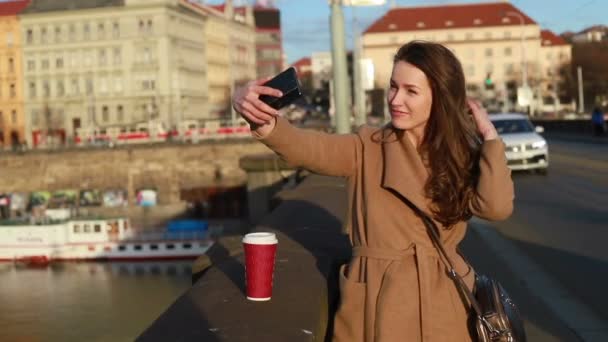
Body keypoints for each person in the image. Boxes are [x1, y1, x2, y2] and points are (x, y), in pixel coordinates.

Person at [232, 41, 514, 342]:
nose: (395, 99)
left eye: (411, 91)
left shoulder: (460, 155)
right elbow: (309, 148)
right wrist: (260, 117)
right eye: (393, 86)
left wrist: (491, 138)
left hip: (446, 304)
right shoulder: (369, 146)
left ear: (440, 98)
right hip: (377, 302)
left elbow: (495, 207)